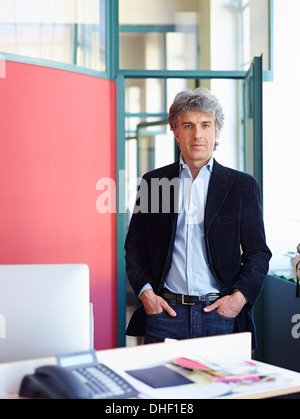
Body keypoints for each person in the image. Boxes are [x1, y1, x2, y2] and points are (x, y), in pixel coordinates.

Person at [125, 87, 272, 348]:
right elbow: (135, 247)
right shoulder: (155, 183)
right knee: (164, 388)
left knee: (223, 389)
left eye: (206, 125)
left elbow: (258, 253)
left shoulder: (241, 186)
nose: (198, 134)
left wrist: (237, 300)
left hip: (221, 316)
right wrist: (147, 295)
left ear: (216, 132)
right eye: (188, 125)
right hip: (164, 314)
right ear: (175, 131)